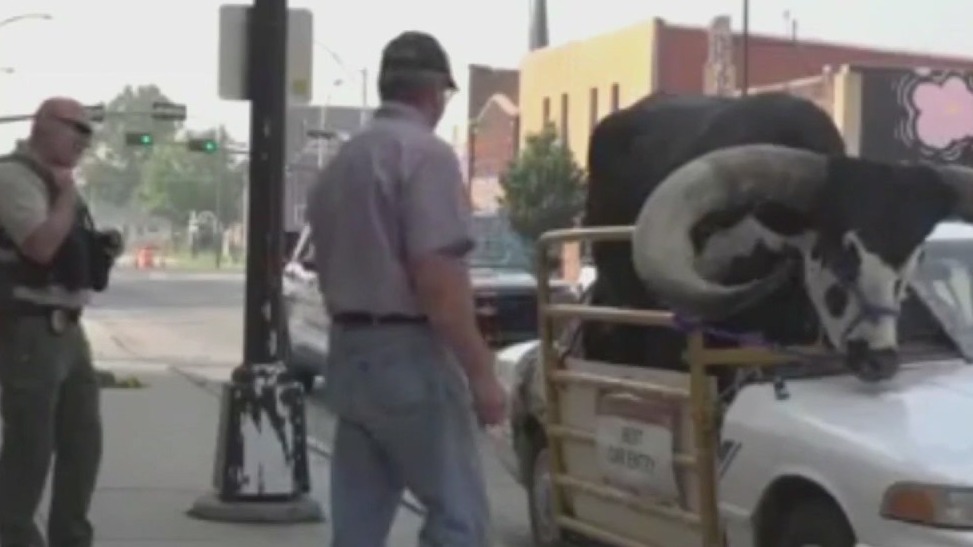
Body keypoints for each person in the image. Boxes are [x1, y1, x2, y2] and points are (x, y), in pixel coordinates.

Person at [306, 31, 506, 546]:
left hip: (349, 351)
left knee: (358, 524)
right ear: (435, 92)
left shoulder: (342, 164)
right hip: (409, 354)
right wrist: (481, 373)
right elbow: (438, 281)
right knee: (459, 517)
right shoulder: (425, 156)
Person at [0, 97, 106, 547]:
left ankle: (71, 537)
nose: (84, 140)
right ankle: (15, 536)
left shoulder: (58, 182)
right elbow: (40, 246)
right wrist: (66, 196)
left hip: (67, 328)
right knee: (30, 448)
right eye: (75, 129)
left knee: (83, 442)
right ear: (42, 125)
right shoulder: (13, 177)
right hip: (28, 327)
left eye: (88, 132)